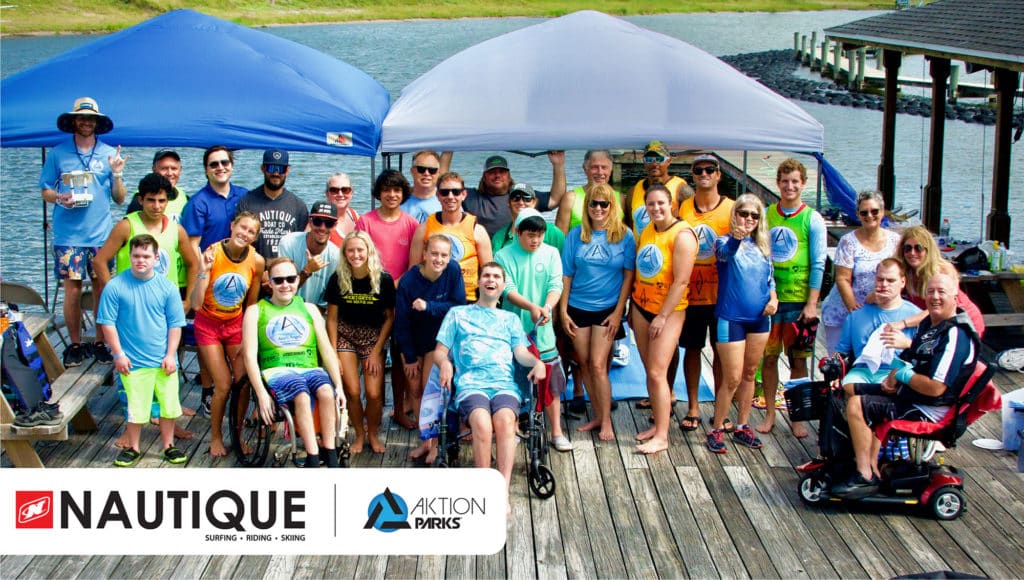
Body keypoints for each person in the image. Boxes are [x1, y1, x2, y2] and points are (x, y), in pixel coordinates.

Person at [833, 273, 979, 498]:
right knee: (853, 388)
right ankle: (869, 463)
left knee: (857, 405)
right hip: (915, 395)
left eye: (942, 292)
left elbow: (936, 388)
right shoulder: (931, 324)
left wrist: (900, 376)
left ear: (956, 297)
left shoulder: (955, 335)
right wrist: (892, 376)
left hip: (930, 409)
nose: (935, 297)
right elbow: (909, 357)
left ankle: (865, 476)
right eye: (930, 292)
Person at [91, 173, 199, 445]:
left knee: (167, 366)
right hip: (131, 309)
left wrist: (187, 299)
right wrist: (113, 294)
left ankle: (168, 422)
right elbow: (100, 261)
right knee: (130, 370)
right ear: (141, 200)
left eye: (162, 200)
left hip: (164, 307)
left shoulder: (176, 229)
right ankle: (131, 429)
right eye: (150, 200)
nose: (156, 205)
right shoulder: (127, 226)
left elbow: (192, 263)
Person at [434, 262, 546, 498]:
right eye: (486, 275)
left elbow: (520, 353)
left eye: (496, 276)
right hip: (471, 383)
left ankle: (501, 491)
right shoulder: (458, 314)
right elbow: (440, 350)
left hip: (503, 383)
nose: (491, 280)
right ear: (479, 281)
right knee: (482, 424)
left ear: (503, 285)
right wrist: (444, 362)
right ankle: (484, 490)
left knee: (506, 421)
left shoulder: (510, 320)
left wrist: (537, 362)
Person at [39, 97, 128, 367]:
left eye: (91, 119)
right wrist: (59, 198)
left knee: (103, 289)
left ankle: (101, 341)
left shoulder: (110, 153)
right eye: (82, 118)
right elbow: (45, 190)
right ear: (74, 121)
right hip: (68, 235)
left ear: (97, 123)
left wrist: (118, 174)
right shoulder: (57, 153)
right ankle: (76, 344)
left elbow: (120, 198)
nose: (87, 122)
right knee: (73, 291)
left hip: (101, 235)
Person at [242, 257, 345, 468]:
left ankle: (331, 452)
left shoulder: (309, 309)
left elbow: (326, 350)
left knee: (327, 391)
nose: (285, 285)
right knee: (300, 393)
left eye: (290, 279)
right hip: (277, 370)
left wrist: (339, 386)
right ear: (269, 283)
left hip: (308, 367)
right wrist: (261, 393)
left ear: (298, 280)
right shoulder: (255, 311)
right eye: (278, 280)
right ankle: (313, 456)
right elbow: (250, 356)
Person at [96, 235, 187, 467]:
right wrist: (118, 354)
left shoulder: (167, 287)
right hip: (132, 362)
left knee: (168, 406)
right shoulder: (115, 286)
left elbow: (175, 323)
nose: (140, 260)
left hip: (162, 360)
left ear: (156, 258)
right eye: (136, 256)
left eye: (146, 256)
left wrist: (170, 354)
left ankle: (168, 446)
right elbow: (108, 323)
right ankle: (134, 447)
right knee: (135, 408)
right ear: (130, 256)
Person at [559, 183, 636, 441]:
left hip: (606, 310)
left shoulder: (624, 236)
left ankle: (606, 421)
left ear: (612, 207)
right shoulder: (575, 235)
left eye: (604, 204)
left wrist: (618, 313)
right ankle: (596, 414)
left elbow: (628, 276)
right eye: (594, 203)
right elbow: (567, 275)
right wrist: (563, 311)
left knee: (598, 364)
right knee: (584, 362)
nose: (599, 208)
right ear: (587, 206)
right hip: (577, 307)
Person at [758, 157, 827, 438]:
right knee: (769, 358)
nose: (789, 186)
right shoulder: (766, 214)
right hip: (771, 299)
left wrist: (812, 303)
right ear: (777, 183)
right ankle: (770, 414)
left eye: (794, 182)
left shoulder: (813, 218)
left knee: (798, 361)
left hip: (799, 301)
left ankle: (797, 417)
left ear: (803, 184)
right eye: (784, 181)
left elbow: (819, 262)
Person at [495, 208, 570, 452]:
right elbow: (507, 289)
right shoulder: (503, 254)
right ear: (517, 232)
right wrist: (531, 307)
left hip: (544, 330)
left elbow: (555, 283)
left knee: (551, 382)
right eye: (529, 235)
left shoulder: (551, 254)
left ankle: (556, 431)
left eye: (539, 235)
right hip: (514, 330)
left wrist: (547, 307)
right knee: (513, 381)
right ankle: (514, 427)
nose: (535, 240)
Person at [631, 184, 698, 455]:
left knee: (658, 372)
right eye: (651, 204)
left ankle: (662, 436)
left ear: (671, 204)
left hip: (668, 312)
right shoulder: (648, 229)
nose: (656, 208)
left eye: (661, 203)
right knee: (651, 371)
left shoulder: (682, 235)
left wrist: (662, 316)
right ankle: (658, 424)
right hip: (640, 305)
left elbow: (681, 282)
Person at [191, 211, 264, 457]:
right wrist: (203, 270)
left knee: (242, 383)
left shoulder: (257, 261)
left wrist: (248, 336)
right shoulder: (212, 253)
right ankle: (216, 437)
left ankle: (238, 434)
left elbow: (251, 304)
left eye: (251, 231)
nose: (245, 234)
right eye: (242, 228)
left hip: (235, 324)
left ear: (255, 237)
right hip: (208, 323)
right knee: (222, 384)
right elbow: (195, 304)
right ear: (232, 226)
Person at [707, 195, 776, 454]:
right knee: (732, 377)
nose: (748, 219)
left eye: (754, 215)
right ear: (735, 214)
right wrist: (737, 236)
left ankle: (742, 425)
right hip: (731, 318)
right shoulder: (724, 241)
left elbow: (770, 279)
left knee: (749, 374)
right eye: (743, 213)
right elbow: (727, 254)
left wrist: (774, 298)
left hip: (760, 319)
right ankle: (716, 427)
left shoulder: (764, 247)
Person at [356, 169, 420, 429]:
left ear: (403, 193)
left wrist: (395, 284)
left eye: (396, 190)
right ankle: (373, 407)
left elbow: (413, 264)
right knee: (373, 353)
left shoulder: (411, 223)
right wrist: (378, 285)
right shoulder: (365, 221)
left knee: (400, 352)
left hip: (401, 297)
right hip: (371, 296)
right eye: (386, 190)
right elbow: (357, 258)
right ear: (378, 193)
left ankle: (398, 409)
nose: (392, 195)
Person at [395, 235, 466, 463]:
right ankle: (425, 441)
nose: (439, 259)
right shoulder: (408, 282)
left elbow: (459, 306)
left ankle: (436, 443)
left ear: (450, 257)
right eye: (434, 254)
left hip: (439, 340)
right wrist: (408, 356)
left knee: (430, 390)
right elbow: (402, 323)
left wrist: (429, 306)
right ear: (424, 254)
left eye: (444, 255)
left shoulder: (452, 271)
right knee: (414, 390)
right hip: (413, 340)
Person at [676, 153, 733, 432]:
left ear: (719, 175)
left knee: (721, 352)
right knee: (692, 349)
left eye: (710, 169)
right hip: (691, 293)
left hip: (723, 294)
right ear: (692, 175)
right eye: (698, 170)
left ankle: (721, 411)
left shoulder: (733, 209)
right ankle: (694, 406)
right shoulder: (684, 207)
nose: (704, 174)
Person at [325, 231, 396, 454]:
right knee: (353, 391)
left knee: (374, 394)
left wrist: (377, 351)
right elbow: (332, 318)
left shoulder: (383, 279)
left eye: (360, 250)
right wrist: (332, 353)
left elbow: (390, 317)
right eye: (351, 250)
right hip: (346, 335)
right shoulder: (338, 277)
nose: (356, 254)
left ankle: (373, 433)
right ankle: (359, 434)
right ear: (345, 253)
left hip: (373, 338)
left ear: (369, 251)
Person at [820, 190, 901, 354]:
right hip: (843, 312)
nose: (870, 216)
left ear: (883, 212)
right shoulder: (848, 242)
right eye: (864, 212)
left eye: (874, 211)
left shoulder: (895, 241)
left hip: (877, 312)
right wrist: (856, 313)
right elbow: (842, 279)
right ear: (858, 215)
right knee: (838, 367)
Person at [833, 258, 921, 385]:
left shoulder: (916, 315)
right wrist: (835, 374)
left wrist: (908, 343)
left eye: (891, 280)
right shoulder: (856, 315)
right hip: (861, 372)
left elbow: (925, 354)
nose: (884, 284)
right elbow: (841, 352)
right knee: (849, 385)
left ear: (903, 282)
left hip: (897, 374)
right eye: (880, 279)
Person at [409, 172, 492, 302]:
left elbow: (489, 273)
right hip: (433, 299)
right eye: (445, 192)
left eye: (456, 192)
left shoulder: (477, 230)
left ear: (464, 195)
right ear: (438, 196)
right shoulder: (423, 229)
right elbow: (413, 271)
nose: (450, 196)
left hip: (468, 299)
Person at [441, 151, 567, 238]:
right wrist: (448, 152)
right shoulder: (471, 197)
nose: (497, 175)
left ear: (508, 175)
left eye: (502, 171)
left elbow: (555, 199)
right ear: (484, 177)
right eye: (492, 172)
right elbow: (442, 183)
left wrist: (558, 164)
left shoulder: (521, 197)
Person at [890, 225, 986, 337]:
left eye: (918, 248)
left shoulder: (944, 270)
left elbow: (938, 309)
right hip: (931, 323)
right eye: (907, 248)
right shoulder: (904, 270)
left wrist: (904, 323)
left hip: (962, 322)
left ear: (928, 250)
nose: (912, 253)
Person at [126, 149, 191, 294]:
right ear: (154, 169)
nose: (169, 173)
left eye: (174, 168)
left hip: (177, 277)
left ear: (180, 170)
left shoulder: (185, 198)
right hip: (145, 278)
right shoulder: (140, 201)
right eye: (164, 168)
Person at [235, 149, 309, 260]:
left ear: (287, 170)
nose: (276, 173)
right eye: (271, 168)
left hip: (286, 273)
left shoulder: (299, 206)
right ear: (263, 169)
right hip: (254, 269)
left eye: (280, 169)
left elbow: (301, 245)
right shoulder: (246, 202)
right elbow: (238, 241)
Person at [181, 145, 247, 255]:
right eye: (214, 164)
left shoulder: (244, 195)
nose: (220, 167)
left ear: (232, 165)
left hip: (241, 266)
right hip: (211, 267)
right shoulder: (196, 203)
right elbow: (192, 247)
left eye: (224, 162)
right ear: (206, 170)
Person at [278, 202, 341, 310]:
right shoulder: (288, 242)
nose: (322, 228)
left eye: (329, 223)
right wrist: (307, 271)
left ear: (335, 226)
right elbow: (281, 289)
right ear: (310, 222)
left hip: (315, 311)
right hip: (284, 306)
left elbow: (327, 302)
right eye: (317, 222)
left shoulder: (336, 256)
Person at [622, 140, 693, 237]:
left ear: (669, 161)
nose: (654, 163)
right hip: (641, 250)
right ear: (644, 162)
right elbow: (629, 225)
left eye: (659, 159)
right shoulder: (633, 191)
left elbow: (692, 225)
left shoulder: (682, 190)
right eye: (649, 159)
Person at [555, 149, 623, 235]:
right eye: (594, 167)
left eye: (604, 167)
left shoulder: (620, 198)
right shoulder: (571, 198)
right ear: (585, 169)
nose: (600, 172)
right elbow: (560, 239)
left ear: (611, 170)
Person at [491, 183, 565, 253]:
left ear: (534, 202)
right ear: (508, 202)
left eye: (527, 198)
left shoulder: (553, 232)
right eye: (516, 198)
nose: (521, 202)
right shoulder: (499, 237)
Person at [401, 150, 443, 223]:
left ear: (438, 173)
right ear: (412, 171)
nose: (426, 173)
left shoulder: (448, 199)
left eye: (432, 170)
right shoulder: (398, 199)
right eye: (421, 169)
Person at [324, 173, 360, 247]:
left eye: (345, 190)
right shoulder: (320, 222)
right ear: (327, 194)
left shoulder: (354, 215)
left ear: (351, 193)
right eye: (334, 190)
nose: (340, 194)